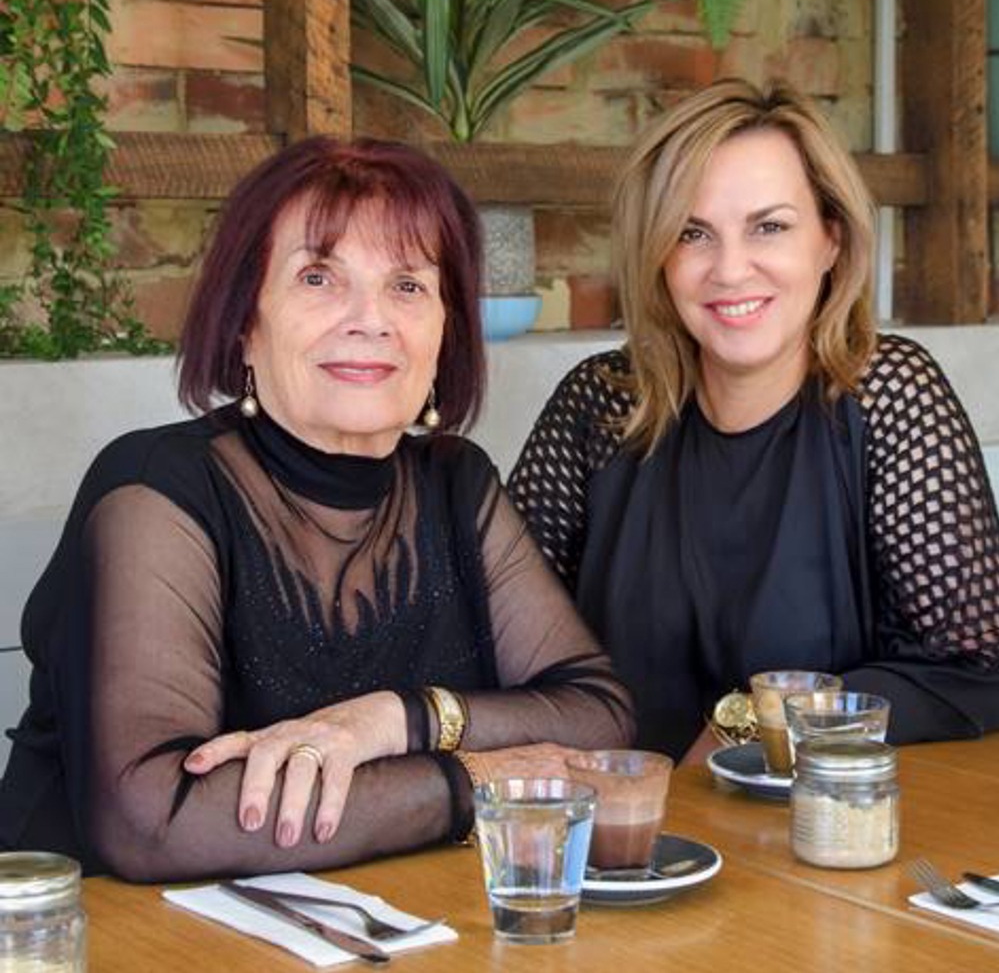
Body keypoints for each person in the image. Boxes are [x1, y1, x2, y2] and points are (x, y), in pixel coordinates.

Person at [0, 137, 633, 880]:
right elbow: (156, 819)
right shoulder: (155, 489)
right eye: (319, 277)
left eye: (408, 286)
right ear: (245, 322)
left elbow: (597, 713)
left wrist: (394, 720)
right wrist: (475, 780)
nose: (370, 319)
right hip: (93, 940)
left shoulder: (455, 482)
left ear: (444, 331)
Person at [508, 78, 999, 762]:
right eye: (693, 233)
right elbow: (497, 634)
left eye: (770, 227)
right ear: (658, 256)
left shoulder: (886, 394)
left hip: (824, 830)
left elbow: (979, 665)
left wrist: (750, 725)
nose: (729, 269)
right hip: (621, 834)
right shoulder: (603, 404)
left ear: (831, 241)